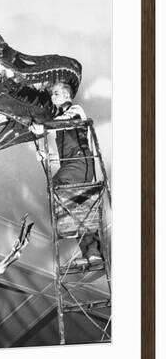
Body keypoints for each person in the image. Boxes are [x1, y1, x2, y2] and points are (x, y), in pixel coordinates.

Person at [30, 82, 102, 266]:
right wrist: (47, 155)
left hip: (80, 161)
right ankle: (92, 251)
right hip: (74, 162)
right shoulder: (61, 118)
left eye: (55, 93)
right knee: (76, 207)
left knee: (58, 186)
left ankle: (90, 246)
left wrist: (43, 127)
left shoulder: (75, 109)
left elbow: (64, 123)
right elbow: (63, 144)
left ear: (67, 96)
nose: (52, 97)